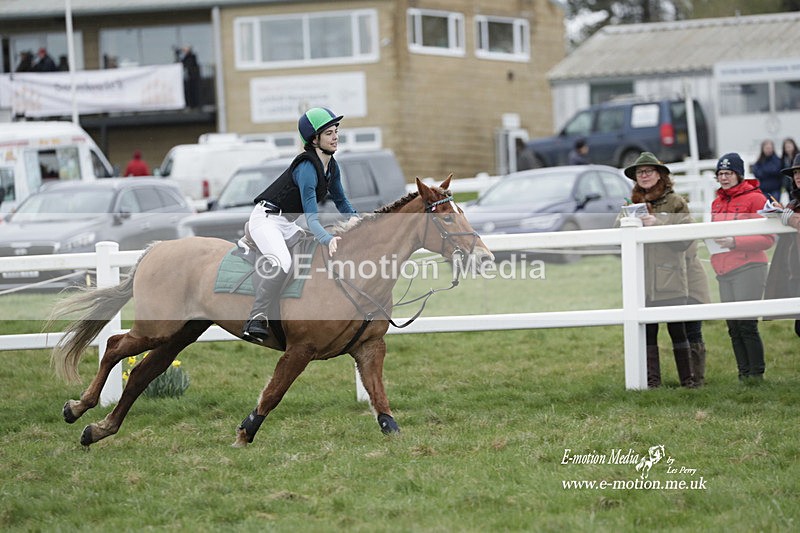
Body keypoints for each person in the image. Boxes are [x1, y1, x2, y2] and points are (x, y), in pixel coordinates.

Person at [242, 107, 358, 342]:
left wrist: (359, 220)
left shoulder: (332, 166)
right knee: (284, 263)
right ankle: (256, 317)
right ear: (314, 140)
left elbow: (341, 201)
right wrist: (327, 238)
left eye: (336, 131)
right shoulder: (306, 169)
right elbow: (312, 219)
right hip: (266, 220)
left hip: (286, 223)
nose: (335, 137)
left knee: (311, 253)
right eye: (328, 133)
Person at [618, 152, 696, 388]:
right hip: (640, 281)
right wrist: (627, 222)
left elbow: (686, 240)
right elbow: (616, 239)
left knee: (678, 331)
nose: (644, 176)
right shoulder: (630, 205)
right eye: (639, 172)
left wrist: (657, 225)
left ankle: (688, 382)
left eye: (648, 171)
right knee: (647, 334)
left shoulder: (676, 203)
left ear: (660, 174)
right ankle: (652, 383)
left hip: (670, 278)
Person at [710, 153, 775, 382]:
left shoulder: (756, 199)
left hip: (749, 267)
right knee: (733, 327)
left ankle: (756, 374)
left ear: (739, 175)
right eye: (720, 173)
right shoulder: (716, 202)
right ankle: (743, 374)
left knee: (747, 324)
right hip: (724, 270)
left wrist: (735, 242)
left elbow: (768, 238)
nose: (724, 178)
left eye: (728, 173)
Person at [764, 153, 800, 338]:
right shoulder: (793, 203)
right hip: (795, 274)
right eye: (795, 172)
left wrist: (792, 219)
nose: (798, 176)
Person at [684, 242, 711, 385]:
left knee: (693, 331)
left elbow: (689, 251)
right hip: (672, 283)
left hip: (691, 284)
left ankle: (696, 377)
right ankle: (687, 376)